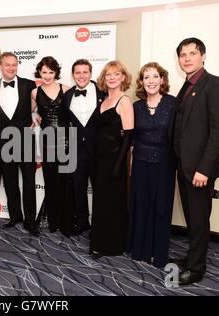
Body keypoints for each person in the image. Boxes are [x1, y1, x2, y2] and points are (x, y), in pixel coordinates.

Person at [171, 38, 219, 285]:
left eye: (192, 53)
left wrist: (204, 169)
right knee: (193, 218)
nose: (187, 58)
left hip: (199, 171)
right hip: (184, 168)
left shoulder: (215, 85)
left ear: (203, 56)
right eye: (183, 54)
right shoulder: (185, 86)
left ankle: (196, 268)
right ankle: (192, 257)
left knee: (199, 218)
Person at [126, 62, 176, 268]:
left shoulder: (173, 103)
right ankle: (139, 249)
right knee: (141, 205)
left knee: (161, 206)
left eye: (155, 76)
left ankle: (158, 251)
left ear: (162, 80)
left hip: (165, 162)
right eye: (147, 77)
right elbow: (131, 138)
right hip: (139, 162)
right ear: (141, 82)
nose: (151, 81)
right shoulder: (136, 106)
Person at [0, 52, 39, 236]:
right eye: (7, 64)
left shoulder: (29, 85)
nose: (11, 68)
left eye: (14, 64)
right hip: (3, 142)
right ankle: (15, 215)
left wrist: (35, 117)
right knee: (9, 182)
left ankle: (31, 221)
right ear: (0, 66)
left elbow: (47, 99)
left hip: (25, 139)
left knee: (29, 181)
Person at [90, 60, 133, 258]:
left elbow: (129, 135)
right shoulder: (104, 100)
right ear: (104, 78)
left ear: (123, 77)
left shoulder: (124, 101)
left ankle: (112, 245)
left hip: (114, 160)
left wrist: (118, 164)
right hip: (99, 159)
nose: (112, 78)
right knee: (101, 201)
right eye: (108, 75)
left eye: (116, 74)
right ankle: (99, 241)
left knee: (112, 203)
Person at [64, 59, 106, 236]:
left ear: (90, 73)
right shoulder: (67, 95)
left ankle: (100, 224)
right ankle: (82, 222)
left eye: (85, 72)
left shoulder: (103, 91)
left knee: (100, 188)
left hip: (98, 149)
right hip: (76, 149)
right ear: (73, 75)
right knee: (78, 188)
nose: (81, 76)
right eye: (77, 72)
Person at [30, 56, 72, 236]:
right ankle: (53, 220)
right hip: (46, 141)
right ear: (40, 71)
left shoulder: (67, 89)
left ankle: (65, 221)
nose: (47, 76)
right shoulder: (35, 92)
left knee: (65, 181)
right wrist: (35, 118)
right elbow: (28, 113)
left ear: (56, 73)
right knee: (51, 180)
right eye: (44, 72)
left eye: (51, 72)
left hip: (66, 140)